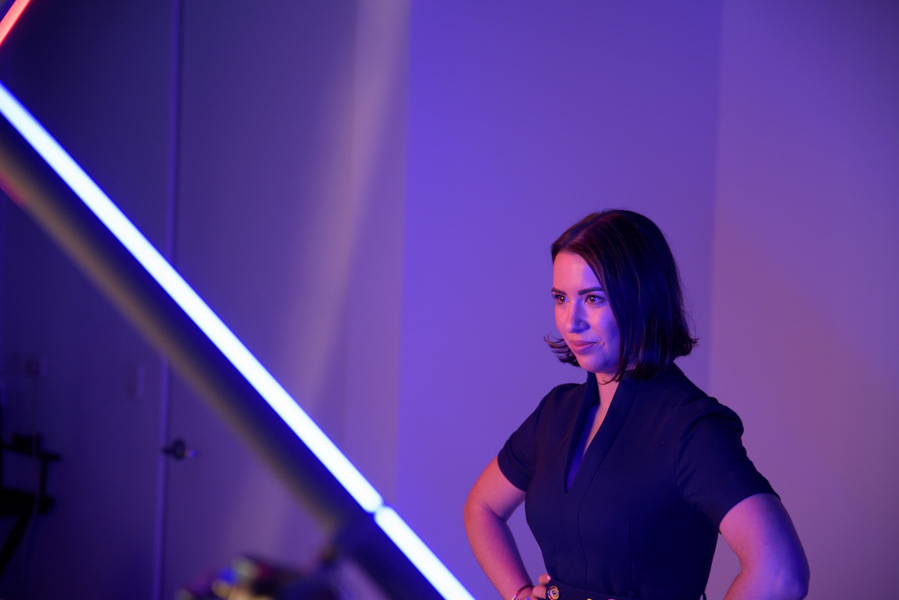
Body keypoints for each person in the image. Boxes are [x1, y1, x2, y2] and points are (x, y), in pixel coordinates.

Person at [464, 210, 809, 600]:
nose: (571, 322)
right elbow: (482, 508)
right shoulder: (555, 412)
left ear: (642, 299)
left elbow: (780, 573)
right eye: (561, 298)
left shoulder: (690, 427)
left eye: (593, 298)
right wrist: (519, 594)